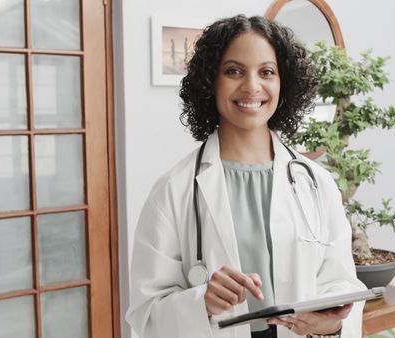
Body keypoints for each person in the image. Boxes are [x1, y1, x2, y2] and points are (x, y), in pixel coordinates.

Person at [125, 14, 365, 338]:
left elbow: (343, 286)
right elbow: (145, 314)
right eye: (234, 71)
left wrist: (333, 325)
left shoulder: (317, 184)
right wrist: (202, 302)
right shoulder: (173, 190)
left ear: (284, 83)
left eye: (266, 72)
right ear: (212, 81)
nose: (252, 86)